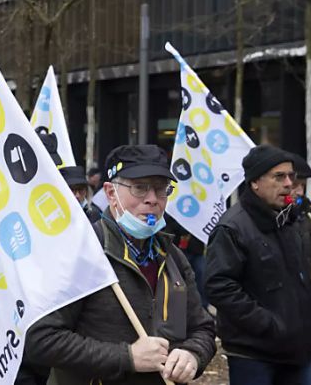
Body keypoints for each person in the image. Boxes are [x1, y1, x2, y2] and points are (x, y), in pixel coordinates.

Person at [19, 145, 216, 385]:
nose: (152, 199)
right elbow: (42, 339)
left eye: (161, 189)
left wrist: (193, 355)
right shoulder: (80, 253)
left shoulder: (172, 255)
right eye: (140, 188)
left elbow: (202, 327)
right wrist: (127, 357)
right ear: (111, 193)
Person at [205, 145, 311, 385]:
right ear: (255, 182)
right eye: (279, 176)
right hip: (255, 354)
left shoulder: (291, 216)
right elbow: (219, 286)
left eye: (291, 176)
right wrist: (267, 323)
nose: (288, 183)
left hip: (299, 348)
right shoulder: (233, 227)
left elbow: (292, 262)